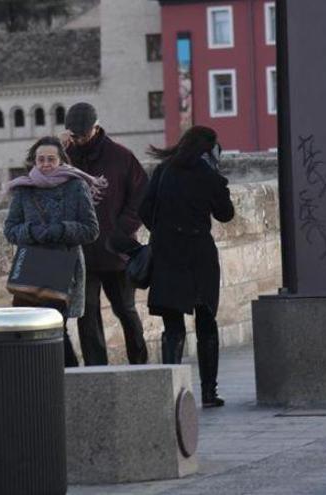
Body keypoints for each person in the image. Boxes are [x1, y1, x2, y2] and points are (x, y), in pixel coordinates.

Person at [139, 125, 235, 408]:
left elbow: (144, 208)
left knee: (173, 326)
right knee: (206, 322)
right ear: (210, 149)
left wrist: (164, 231)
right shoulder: (208, 176)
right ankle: (208, 392)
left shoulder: (164, 170)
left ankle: (170, 389)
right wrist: (218, 179)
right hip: (199, 254)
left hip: (168, 252)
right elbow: (225, 214)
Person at [61, 102, 149, 366]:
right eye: (73, 135)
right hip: (82, 255)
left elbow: (141, 197)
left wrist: (120, 232)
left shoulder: (121, 156)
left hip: (117, 253)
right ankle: (95, 370)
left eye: (82, 134)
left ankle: (141, 364)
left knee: (126, 310)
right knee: (87, 317)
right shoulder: (65, 158)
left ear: (96, 128)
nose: (78, 139)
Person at [4, 136, 102, 367]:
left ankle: (67, 377)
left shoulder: (76, 186)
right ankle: (39, 381)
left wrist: (61, 230)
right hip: (31, 267)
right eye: (41, 159)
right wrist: (32, 232)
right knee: (27, 328)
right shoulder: (24, 189)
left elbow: (91, 230)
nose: (46, 164)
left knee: (56, 326)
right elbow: (10, 229)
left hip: (64, 267)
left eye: (51, 159)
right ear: (34, 161)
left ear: (61, 161)